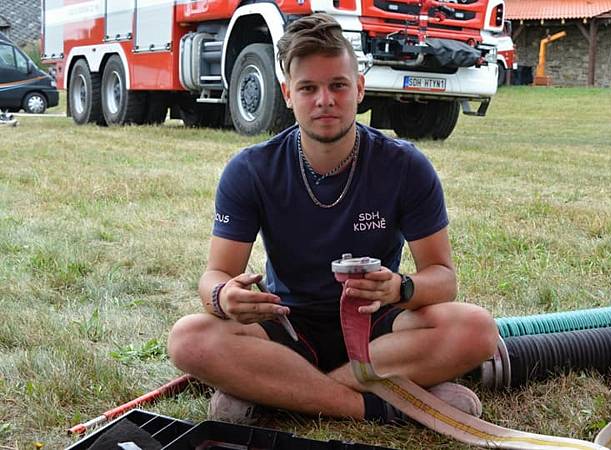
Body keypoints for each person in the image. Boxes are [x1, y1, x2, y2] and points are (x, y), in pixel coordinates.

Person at [167, 13, 498, 425]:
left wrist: (401, 286)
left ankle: (281, 392)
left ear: (359, 88)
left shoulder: (405, 165)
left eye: (338, 85)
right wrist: (224, 297)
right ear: (288, 93)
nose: (325, 99)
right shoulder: (252, 169)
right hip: (287, 328)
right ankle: (375, 406)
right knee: (189, 339)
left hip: (377, 329)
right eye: (308, 88)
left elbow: (443, 278)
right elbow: (216, 274)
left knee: (478, 329)